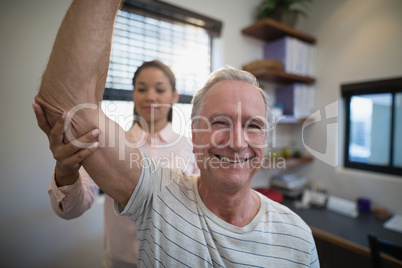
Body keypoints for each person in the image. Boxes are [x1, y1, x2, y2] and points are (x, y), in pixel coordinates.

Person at [34, 0, 319, 266]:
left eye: (253, 125)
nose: (236, 142)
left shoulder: (299, 238)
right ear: (196, 133)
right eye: (219, 122)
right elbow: (69, 110)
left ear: (173, 96)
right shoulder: (147, 174)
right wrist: (67, 167)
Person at [33, 60, 199, 267]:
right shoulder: (110, 145)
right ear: (133, 94)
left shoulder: (191, 148)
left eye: (160, 89)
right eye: (141, 89)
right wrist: (66, 169)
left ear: (174, 96)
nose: (150, 96)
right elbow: (69, 209)